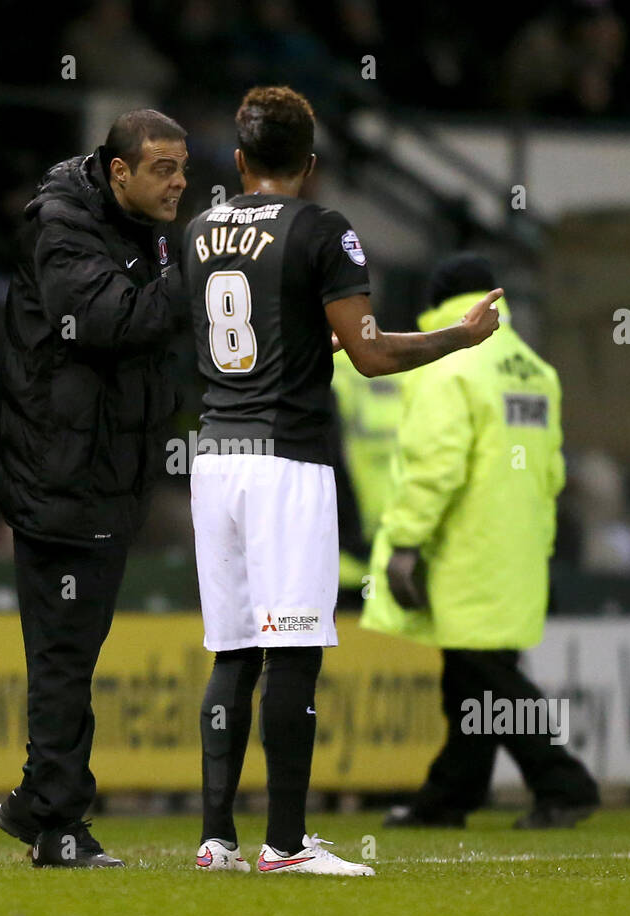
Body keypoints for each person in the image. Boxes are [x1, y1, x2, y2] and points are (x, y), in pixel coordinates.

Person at [183, 87, 502, 875]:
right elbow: (369, 354)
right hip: (285, 460)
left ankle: (216, 839)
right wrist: (457, 339)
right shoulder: (322, 229)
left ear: (239, 160)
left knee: (230, 651)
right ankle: (286, 846)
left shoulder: (198, 231)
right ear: (312, 165)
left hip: (214, 456)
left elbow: (253, 336)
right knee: (291, 652)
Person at [0, 110, 191, 868]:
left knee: (69, 652)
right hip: (60, 476)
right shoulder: (62, 227)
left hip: (107, 476)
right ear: (118, 172)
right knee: (65, 655)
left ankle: (38, 801)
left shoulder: (149, 231)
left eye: (184, 168)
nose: (179, 182)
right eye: (163, 169)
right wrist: (196, 274)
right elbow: (109, 319)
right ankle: (58, 821)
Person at [361, 253, 599, 829]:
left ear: (439, 303)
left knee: (486, 673)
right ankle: (451, 795)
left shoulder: (451, 364)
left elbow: (434, 465)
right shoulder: (536, 369)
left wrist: (407, 542)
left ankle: (562, 782)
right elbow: (553, 473)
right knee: (472, 676)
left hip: (465, 546)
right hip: (519, 548)